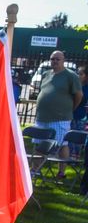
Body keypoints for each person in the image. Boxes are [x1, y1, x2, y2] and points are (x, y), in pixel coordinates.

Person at [34, 50, 84, 180]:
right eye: (52, 59)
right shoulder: (46, 74)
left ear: (63, 60)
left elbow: (79, 95)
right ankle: (35, 169)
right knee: (40, 144)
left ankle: (61, 172)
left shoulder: (70, 76)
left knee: (62, 144)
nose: (54, 61)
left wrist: (70, 108)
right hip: (42, 117)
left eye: (58, 59)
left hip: (60, 118)